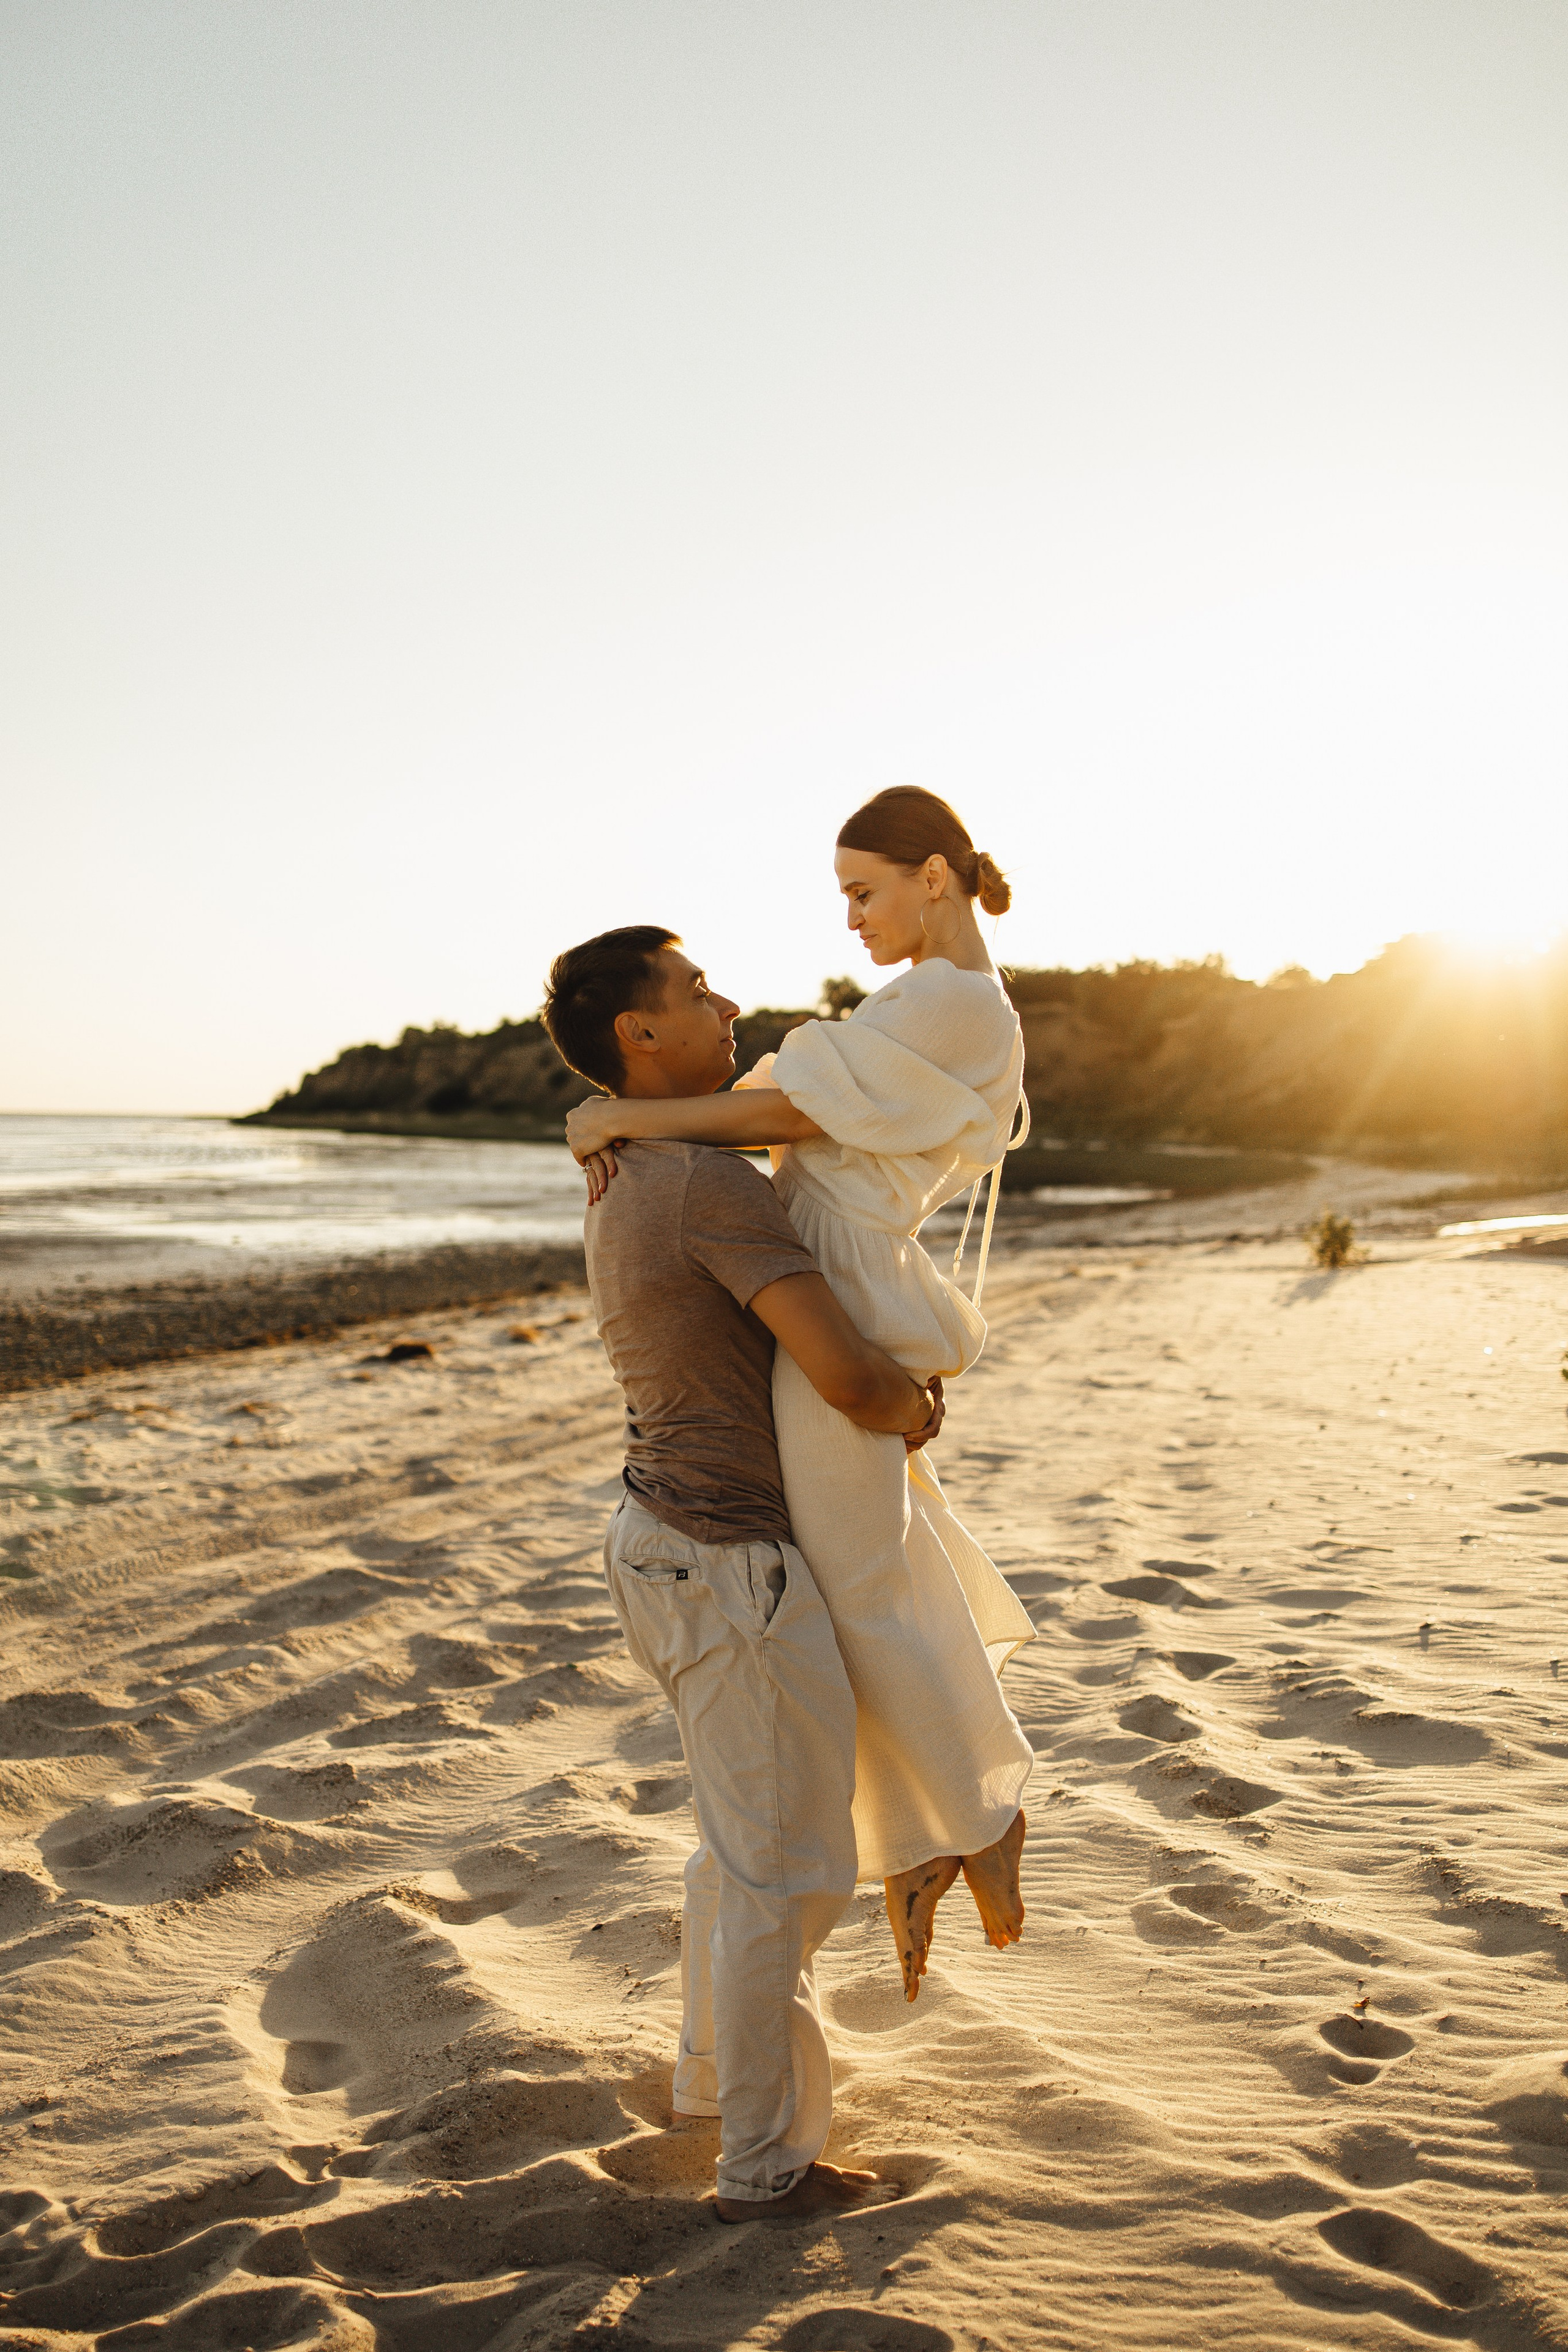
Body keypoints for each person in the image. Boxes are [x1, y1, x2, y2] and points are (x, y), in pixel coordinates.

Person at [566, 788, 1036, 2005]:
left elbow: (788, 1111)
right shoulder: (938, 1000)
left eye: (863, 893)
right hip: (841, 1261)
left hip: (847, 1270)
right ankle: (942, 1830)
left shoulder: (949, 997)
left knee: (851, 1573)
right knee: (866, 1563)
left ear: (933, 878)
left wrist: (627, 1112)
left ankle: (969, 1823)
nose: (850, 919)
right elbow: (801, 1114)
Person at [542, 924, 945, 2221]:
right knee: (787, 1868)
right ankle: (765, 2169)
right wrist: (913, 1403)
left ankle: (717, 2091)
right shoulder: (703, 1183)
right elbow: (846, 1375)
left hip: (655, 1542)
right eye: (695, 988)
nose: (725, 1000)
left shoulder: (627, 1164)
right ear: (638, 1037)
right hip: (724, 1564)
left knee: (736, 1848)